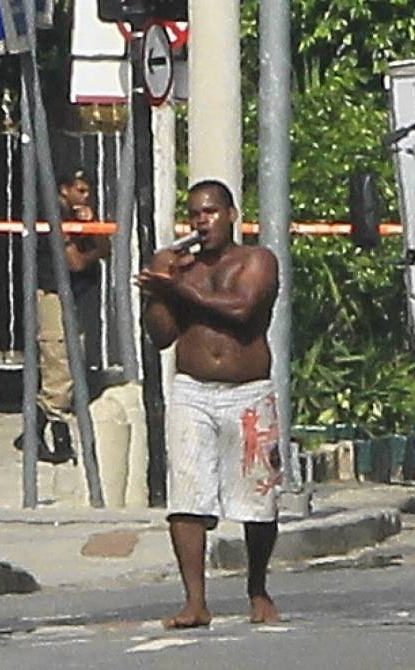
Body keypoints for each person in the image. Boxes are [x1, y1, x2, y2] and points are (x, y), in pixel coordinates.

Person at [137, 180, 282, 628]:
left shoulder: (257, 260)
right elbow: (161, 336)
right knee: (186, 496)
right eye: (195, 214)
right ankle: (195, 601)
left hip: (247, 392)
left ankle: (257, 588)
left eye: (211, 211)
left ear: (232, 214)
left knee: (257, 499)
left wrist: (177, 288)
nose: (203, 221)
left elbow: (242, 308)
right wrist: (157, 290)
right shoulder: (185, 272)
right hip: (193, 390)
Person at [18, 168, 110, 463]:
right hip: (53, 294)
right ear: (64, 190)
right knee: (59, 364)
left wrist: (92, 225)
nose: (85, 197)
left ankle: (43, 432)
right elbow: (75, 262)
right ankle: (51, 432)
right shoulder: (53, 215)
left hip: (76, 296)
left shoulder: (81, 216)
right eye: (80, 190)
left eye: (88, 191)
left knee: (72, 360)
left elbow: (106, 248)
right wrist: (92, 251)